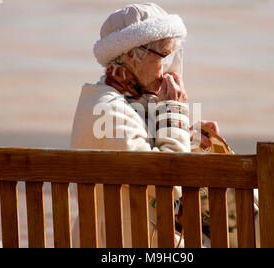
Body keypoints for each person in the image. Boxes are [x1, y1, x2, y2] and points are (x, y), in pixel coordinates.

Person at [70, 3, 222, 248]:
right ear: (132, 54)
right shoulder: (107, 112)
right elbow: (169, 184)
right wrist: (173, 112)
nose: (168, 71)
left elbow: (147, 153)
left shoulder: (116, 103)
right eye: (164, 56)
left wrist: (187, 135)